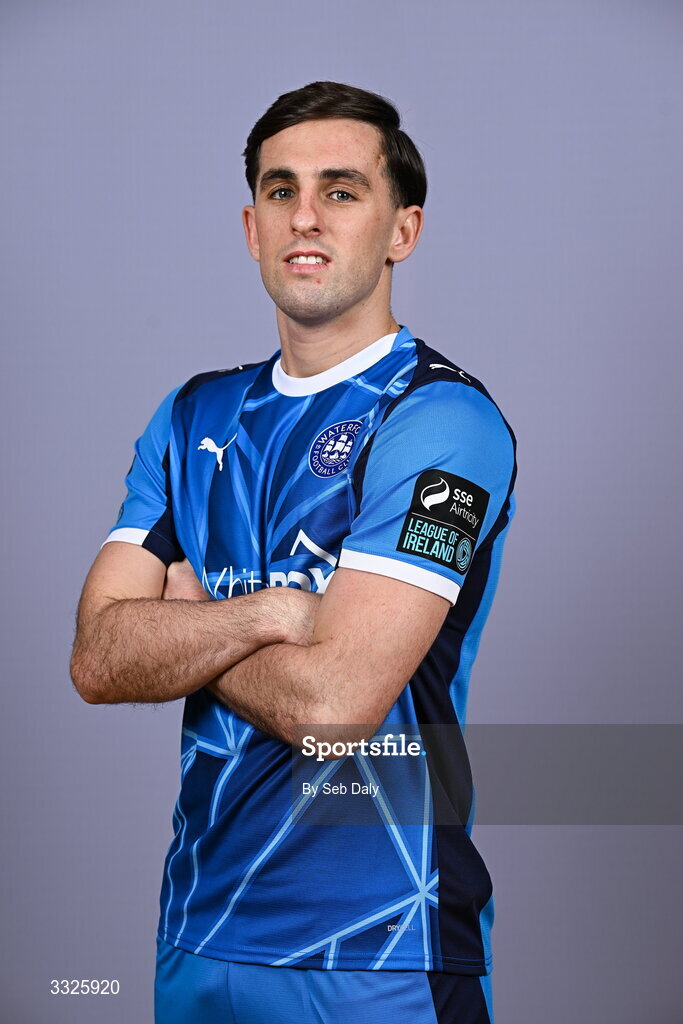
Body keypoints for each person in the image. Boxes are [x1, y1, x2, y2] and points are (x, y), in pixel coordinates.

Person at [70, 80, 517, 1024]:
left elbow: (332, 709)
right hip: (196, 933)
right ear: (251, 227)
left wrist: (190, 623)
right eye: (281, 191)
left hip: (378, 949)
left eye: (341, 190)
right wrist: (271, 614)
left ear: (402, 230)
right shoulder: (191, 416)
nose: (305, 216)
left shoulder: (441, 421)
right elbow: (98, 659)